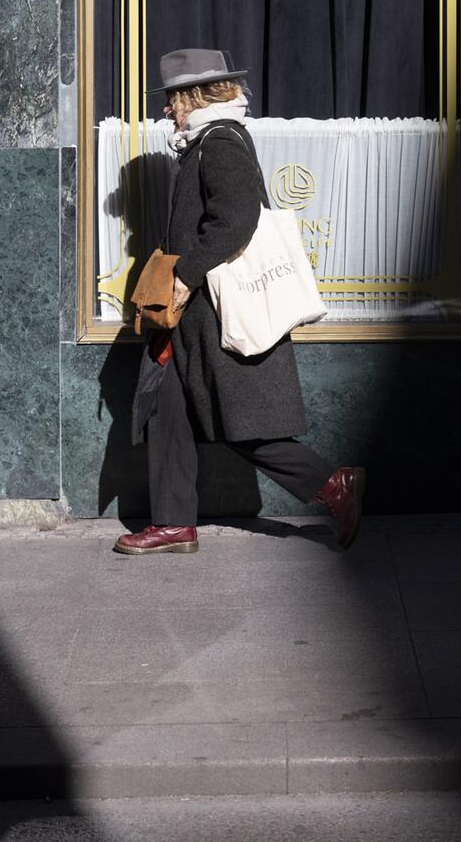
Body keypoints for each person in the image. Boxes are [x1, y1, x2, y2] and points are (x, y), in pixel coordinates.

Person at [115, 47, 365, 556]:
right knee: (168, 407)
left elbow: (236, 220)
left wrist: (184, 274)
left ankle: (333, 485)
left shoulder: (220, 142)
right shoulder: (203, 142)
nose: (167, 109)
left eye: (172, 99)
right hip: (192, 315)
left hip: (213, 311)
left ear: (193, 96)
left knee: (242, 423)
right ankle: (173, 523)